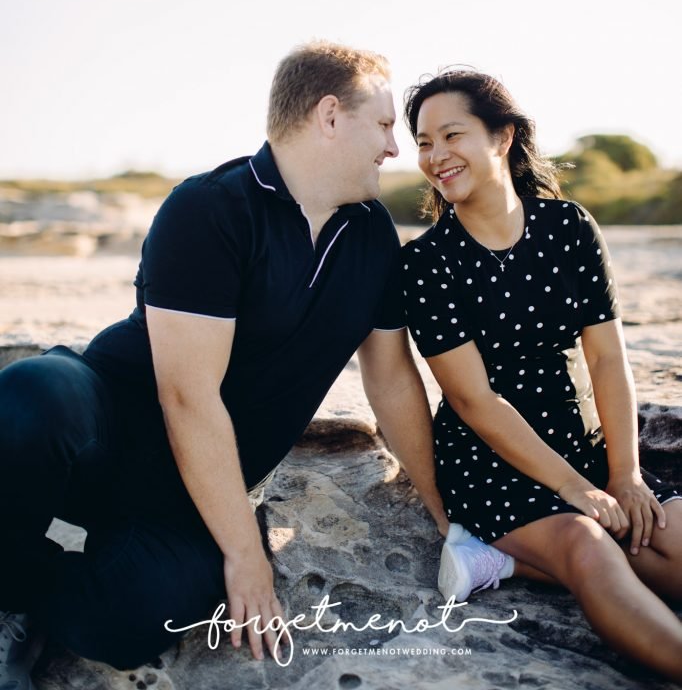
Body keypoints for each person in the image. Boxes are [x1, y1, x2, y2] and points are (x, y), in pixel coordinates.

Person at [0, 40, 449, 688]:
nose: (394, 148)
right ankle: (9, 599)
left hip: (196, 493)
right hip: (106, 426)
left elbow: (390, 379)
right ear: (329, 116)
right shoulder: (211, 207)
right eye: (382, 124)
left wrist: (439, 508)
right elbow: (187, 396)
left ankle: (44, 594)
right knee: (29, 397)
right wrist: (246, 553)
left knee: (133, 620)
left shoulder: (373, 237)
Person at [400, 67, 682, 683]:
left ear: (502, 137)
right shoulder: (425, 264)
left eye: (451, 135)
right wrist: (578, 492)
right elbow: (474, 401)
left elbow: (608, 359)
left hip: (580, 444)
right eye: (423, 142)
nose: (435, 155)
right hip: (490, 459)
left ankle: (502, 561)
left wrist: (623, 474)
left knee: (672, 542)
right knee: (589, 546)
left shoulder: (569, 227)